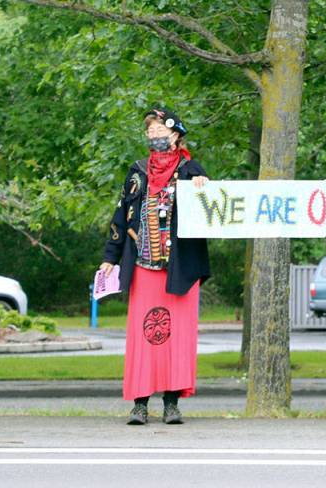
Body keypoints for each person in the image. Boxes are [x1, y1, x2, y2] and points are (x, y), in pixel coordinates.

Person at [101, 108, 211, 425]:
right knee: (145, 335)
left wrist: (204, 186)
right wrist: (110, 257)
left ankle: (171, 404)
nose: (153, 135)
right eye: (150, 131)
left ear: (175, 135)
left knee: (177, 337)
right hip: (143, 267)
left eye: (159, 130)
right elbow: (121, 215)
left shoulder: (191, 171)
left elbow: (211, 209)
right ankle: (140, 404)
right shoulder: (137, 172)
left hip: (180, 270)